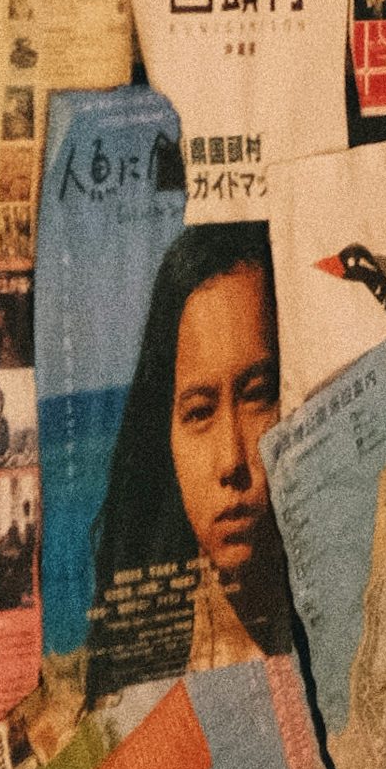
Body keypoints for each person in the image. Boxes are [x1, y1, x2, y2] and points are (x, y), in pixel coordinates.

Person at [87, 224, 292, 689]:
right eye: (199, 412)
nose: (231, 461)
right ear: (165, 435)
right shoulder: (141, 659)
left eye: (258, 396)